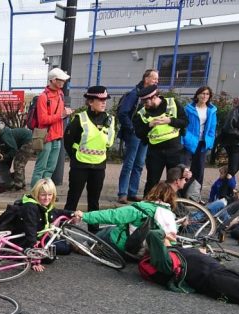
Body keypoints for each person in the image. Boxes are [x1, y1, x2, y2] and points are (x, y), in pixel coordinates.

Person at [73, 182, 179, 257]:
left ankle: (86, 247)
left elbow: (111, 215)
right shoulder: (169, 215)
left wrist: (84, 216)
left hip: (125, 249)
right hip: (145, 252)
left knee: (107, 231)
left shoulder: (140, 209)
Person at [62, 86, 114, 222]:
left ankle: (94, 234)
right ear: (91, 102)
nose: (104, 103)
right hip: (80, 166)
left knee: (94, 203)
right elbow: (68, 140)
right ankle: (64, 231)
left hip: (99, 167)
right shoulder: (80, 119)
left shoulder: (110, 120)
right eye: (100, 100)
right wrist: (75, 157)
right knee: (72, 201)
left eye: (105, 100)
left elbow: (108, 143)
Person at [0, 179, 75, 272]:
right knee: (50, 258)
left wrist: (72, 214)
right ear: (36, 194)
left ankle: (72, 246)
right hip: (23, 241)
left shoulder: (44, 205)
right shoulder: (31, 207)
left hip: (39, 237)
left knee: (65, 249)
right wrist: (34, 260)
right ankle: (21, 256)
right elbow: (30, 232)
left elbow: (57, 212)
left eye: (50, 194)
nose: (47, 198)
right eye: (43, 195)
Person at [134, 85, 187, 197]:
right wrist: (149, 125)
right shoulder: (142, 112)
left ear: (154, 97)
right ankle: (148, 208)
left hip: (174, 150)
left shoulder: (173, 103)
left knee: (176, 181)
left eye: (146, 101)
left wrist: (170, 120)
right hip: (155, 152)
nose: (144, 105)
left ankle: (177, 208)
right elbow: (138, 132)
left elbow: (185, 122)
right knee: (152, 182)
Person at [116, 69, 158, 204]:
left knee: (139, 164)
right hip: (135, 134)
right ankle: (123, 193)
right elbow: (123, 113)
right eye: (154, 78)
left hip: (145, 133)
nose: (157, 81)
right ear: (146, 79)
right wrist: (132, 129)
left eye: (157, 79)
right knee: (129, 163)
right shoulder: (134, 94)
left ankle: (132, 192)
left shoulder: (152, 95)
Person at [30, 68, 73, 186]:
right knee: (41, 168)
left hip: (57, 136)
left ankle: (45, 193)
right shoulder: (43, 97)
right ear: (53, 80)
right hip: (46, 136)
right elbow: (43, 119)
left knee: (50, 169)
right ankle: (35, 194)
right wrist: (61, 115)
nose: (63, 82)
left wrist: (64, 114)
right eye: (61, 80)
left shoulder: (60, 94)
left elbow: (56, 116)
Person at [180, 86, 218, 201]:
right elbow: (183, 125)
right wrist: (185, 138)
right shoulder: (189, 109)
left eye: (207, 94)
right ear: (197, 95)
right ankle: (181, 194)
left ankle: (195, 196)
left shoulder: (212, 110)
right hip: (189, 142)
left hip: (202, 144)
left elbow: (212, 127)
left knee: (199, 170)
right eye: (202, 93)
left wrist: (210, 141)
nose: (204, 96)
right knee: (184, 169)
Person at [0, 126, 33, 190]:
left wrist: (4, 157)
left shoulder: (4, 136)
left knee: (18, 163)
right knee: (18, 163)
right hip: (26, 141)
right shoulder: (0, 140)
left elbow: (14, 150)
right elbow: (9, 153)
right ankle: (21, 183)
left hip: (28, 141)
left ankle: (18, 185)